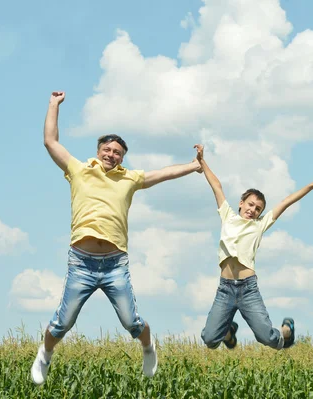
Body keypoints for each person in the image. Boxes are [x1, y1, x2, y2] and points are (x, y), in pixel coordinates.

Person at [31, 91, 202, 385]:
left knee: (131, 321)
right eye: (107, 150)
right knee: (63, 322)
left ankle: (149, 349)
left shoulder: (129, 179)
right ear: (98, 151)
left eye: (117, 152)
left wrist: (194, 165)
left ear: (123, 157)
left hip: (114, 264)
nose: (112, 155)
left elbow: (163, 174)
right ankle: (44, 355)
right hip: (82, 262)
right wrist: (53, 105)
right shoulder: (79, 170)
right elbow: (51, 142)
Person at [194, 144, 313, 350]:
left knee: (268, 339)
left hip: (248, 289)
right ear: (241, 203)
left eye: (258, 208)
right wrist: (202, 161)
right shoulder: (228, 216)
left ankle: (286, 330)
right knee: (210, 340)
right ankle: (228, 331)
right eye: (250, 205)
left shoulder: (260, 224)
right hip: (225, 288)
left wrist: (310, 186)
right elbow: (217, 186)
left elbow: (286, 202)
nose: (253, 210)